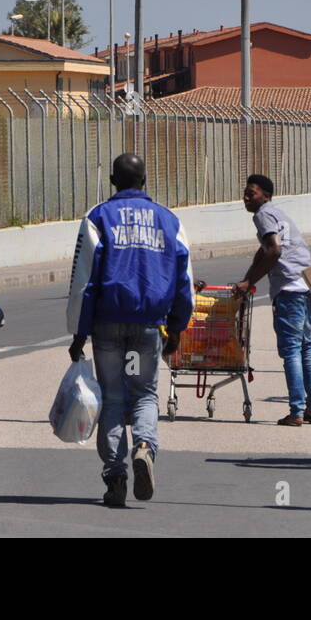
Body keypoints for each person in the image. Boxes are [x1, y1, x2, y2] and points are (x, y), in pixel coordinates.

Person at [66, 152, 194, 507]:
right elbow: (183, 281)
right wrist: (178, 328)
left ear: (112, 181)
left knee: (112, 398)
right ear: (145, 181)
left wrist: (79, 332)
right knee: (144, 394)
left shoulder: (98, 217)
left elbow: (84, 281)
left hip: (107, 325)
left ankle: (115, 477)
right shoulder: (170, 221)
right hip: (148, 326)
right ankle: (144, 447)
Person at [234, 174, 311, 427]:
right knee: (306, 346)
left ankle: (296, 411)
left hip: (290, 289)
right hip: (308, 284)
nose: (246, 198)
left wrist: (249, 282)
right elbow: (264, 249)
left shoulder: (262, 215)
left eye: (251, 193)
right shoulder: (277, 214)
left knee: (292, 350)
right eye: (245, 193)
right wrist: (248, 275)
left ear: (266, 195)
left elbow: (273, 250)